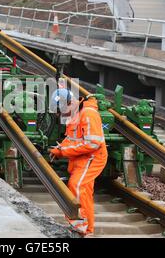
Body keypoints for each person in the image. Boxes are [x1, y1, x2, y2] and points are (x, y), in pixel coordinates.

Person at [49, 88, 108, 237]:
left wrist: (63, 152)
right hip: (81, 158)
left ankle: (84, 228)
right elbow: (72, 138)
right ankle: (86, 229)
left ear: (70, 103)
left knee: (78, 185)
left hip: (93, 157)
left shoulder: (88, 114)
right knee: (83, 190)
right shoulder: (75, 113)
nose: (61, 115)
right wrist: (60, 148)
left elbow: (93, 144)